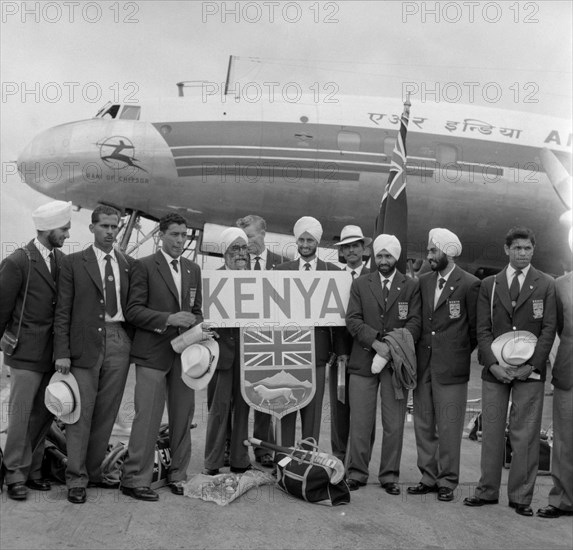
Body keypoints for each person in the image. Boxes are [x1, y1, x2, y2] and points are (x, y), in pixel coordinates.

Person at [464, 226, 557, 516]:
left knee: (525, 435)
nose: (522, 253)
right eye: (517, 248)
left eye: (528, 248)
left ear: (533, 250)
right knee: (490, 432)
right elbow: (482, 329)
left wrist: (531, 366)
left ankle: (520, 497)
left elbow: (548, 329)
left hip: (530, 372)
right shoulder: (489, 285)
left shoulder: (546, 284)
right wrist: (493, 364)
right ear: (507, 250)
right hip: (496, 371)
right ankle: (487, 491)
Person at [53, 205, 133, 504]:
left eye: (114, 227)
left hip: (118, 339)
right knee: (79, 413)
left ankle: (95, 471)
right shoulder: (74, 263)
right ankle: (76, 478)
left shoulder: (127, 264)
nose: (110, 232)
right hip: (84, 344)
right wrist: (62, 351)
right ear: (92, 228)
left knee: (106, 414)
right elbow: (62, 311)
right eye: (105, 227)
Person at [121, 213, 203, 501]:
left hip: (184, 356)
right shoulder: (143, 266)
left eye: (184, 235)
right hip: (152, 353)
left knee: (183, 417)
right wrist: (168, 318)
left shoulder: (193, 269)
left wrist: (201, 330)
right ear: (161, 235)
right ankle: (135, 478)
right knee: (148, 418)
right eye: (175, 235)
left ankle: (178, 475)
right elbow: (133, 311)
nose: (180, 240)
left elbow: (196, 312)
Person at [0, 200, 71, 500]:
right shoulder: (18, 261)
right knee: (21, 414)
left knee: (44, 414)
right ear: (47, 229)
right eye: (64, 229)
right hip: (25, 353)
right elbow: (1, 308)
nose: (67, 234)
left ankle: (33, 471)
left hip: (51, 354)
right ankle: (14, 472)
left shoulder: (61, 260)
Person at [407, 228, 480, 502]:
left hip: (452, 367)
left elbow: (474, 329)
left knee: (449, 426)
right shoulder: (424, 281)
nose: (429, 256)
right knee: (423, 423)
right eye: (428, 251)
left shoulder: (470, 283)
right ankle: (428, 476)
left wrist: (456, 353)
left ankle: (447, 480)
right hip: (424, 364)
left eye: (433, 251)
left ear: (448, 252)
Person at [345, 234, 421, 493]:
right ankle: (356, 472)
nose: (384, 260)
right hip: (363, 362)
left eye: (388, 256)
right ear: (374, 257)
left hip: (396, 365)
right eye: (380, 256)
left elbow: (414, 323)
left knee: (394, 423)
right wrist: (377, 343)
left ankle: (389, 475)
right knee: (361, 422)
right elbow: (352, 320)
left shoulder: (410, 286)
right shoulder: (361, 284)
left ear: (396, 257)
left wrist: (392, 347)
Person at [274, 216, 340, 447]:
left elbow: (338, 317)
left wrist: (336, 349)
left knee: (312, 414)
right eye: (301, 239)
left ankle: (308, 460)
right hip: (288, 353)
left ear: (317, 242)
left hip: (318, 355)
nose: (304, 244)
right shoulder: (280, 271)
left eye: (309, 240)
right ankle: (283, 458)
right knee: (286, 407)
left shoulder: (332, 271)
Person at [236, 214, 287, 467]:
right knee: (241, 398)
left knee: (265, 398)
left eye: (251, 237)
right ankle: (233, 448)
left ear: (264, 234)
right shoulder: (236, 263)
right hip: (242, 341)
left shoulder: (283, 264)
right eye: (243, 238)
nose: (247, 243)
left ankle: (264, 448)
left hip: (269, 341)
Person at [203, 228, 253, 475]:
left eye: (244, 248)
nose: (241, 253)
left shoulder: (258, 280)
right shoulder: (211, 279)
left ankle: (239, 460)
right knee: (219, 409)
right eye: (235, 248)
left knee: (244, 409)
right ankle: (212, 461)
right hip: (220, 355)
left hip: (248, 357)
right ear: (225, 253)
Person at [330, 225, 373, 463]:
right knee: (339, 407)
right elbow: (331, 320)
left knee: (364, 412)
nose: (351, 251)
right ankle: (339, 455)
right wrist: (340, 350)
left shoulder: (373, 277)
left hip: (365, 353)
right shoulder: (333, 278)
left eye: (355, 245)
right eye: (346, 247)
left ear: (363, 249)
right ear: (342, 252)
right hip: (340, 353)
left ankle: (360, 459)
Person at [537, 235, 573, 519]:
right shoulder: (560, 285)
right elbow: (557, 328)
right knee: (564, 440)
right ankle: (562, 499)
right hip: (568, 371)